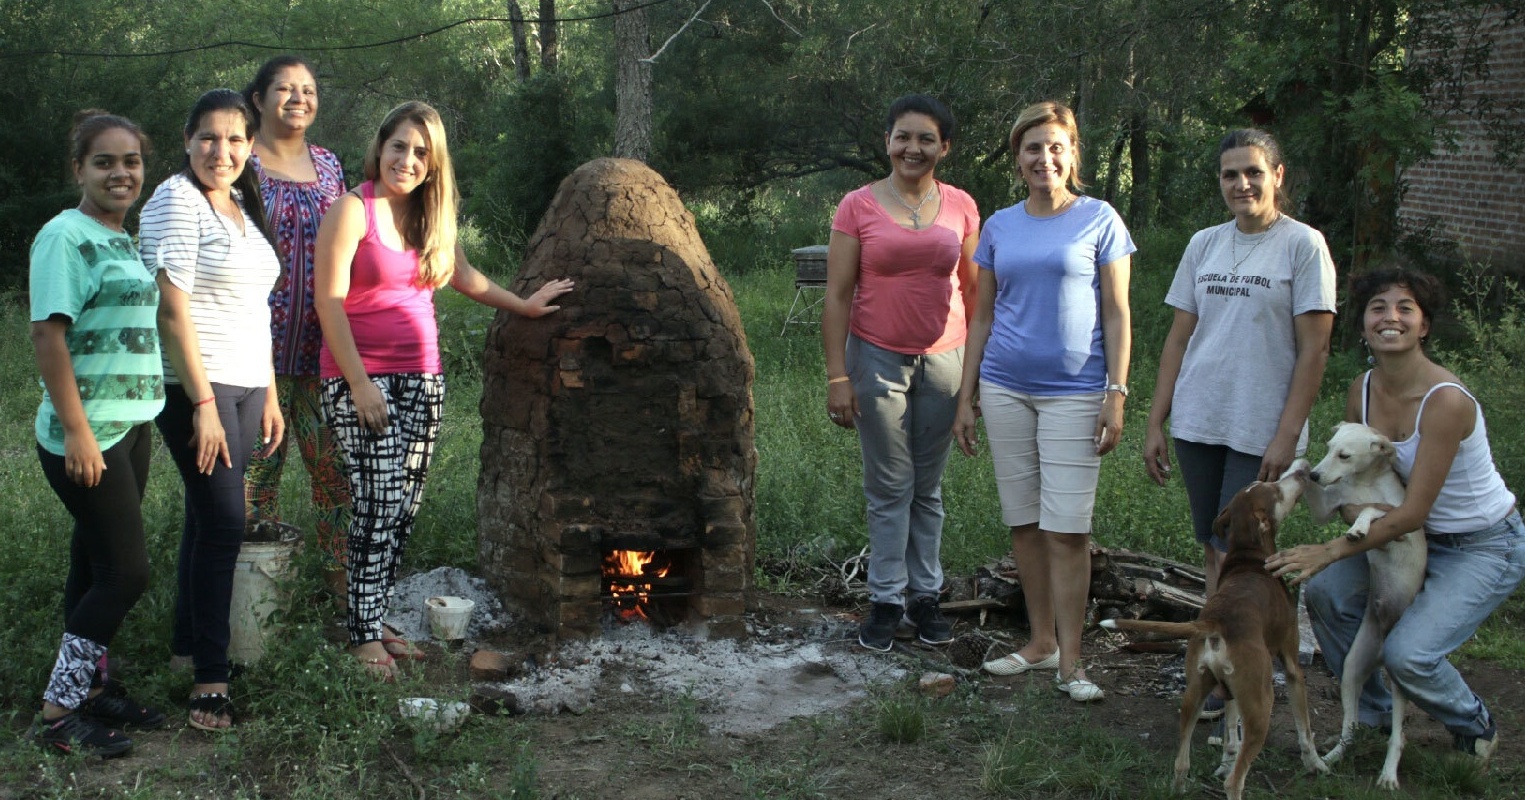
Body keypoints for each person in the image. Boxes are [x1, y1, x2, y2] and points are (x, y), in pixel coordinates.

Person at [314, 101, 573, 680]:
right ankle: (360, 637)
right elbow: (327, 301)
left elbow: (463, 275)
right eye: (399, 146)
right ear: (380, 147)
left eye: (421, 152)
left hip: (423, 378)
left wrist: (523, 304)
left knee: (402, 507)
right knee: (376, 502)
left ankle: (373, 617)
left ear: (434, 164)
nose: (407, 160)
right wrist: (359, 383)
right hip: (361, 379)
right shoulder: (352, 211)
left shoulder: (433, 216)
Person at [1269, 268, 1521, 763]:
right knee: (1324, 595)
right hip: (1407, 537)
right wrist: (1340, 516)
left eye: (1406, 308)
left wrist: (1330, 550)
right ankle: (1376, 713)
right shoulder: (1361, 390)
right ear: (1363, 326)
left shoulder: (1445, 402)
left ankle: (1473, 723)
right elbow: (1352, 488)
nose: (1391, 318)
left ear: (1424, 326)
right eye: (1378, 308)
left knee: (1410, 654)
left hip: (1481, 545)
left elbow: (1411, 512)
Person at [953, 101, 1134, 702]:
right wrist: (967, 394)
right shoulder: (1001, 226)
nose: (1044, 158)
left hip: (1077, 393)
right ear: (1018, 158)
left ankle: (1073, 664)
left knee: (1068, 530)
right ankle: (1039, 643)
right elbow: (982, 316)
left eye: (1056, 147)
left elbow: (1116, 311)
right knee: (1025, 523)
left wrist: (1116, 392)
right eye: (1033, 148)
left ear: (1072, 154)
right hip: (1005, 389)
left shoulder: (1100, 219)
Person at [140, 89, 284, 732]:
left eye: (234, 140)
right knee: (227, 522)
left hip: (248, 383)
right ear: (187, 139)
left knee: (207, 520)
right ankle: (209, 680)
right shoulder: (177, 199)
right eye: (208, 138)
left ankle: (183, 650)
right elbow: (172, 310)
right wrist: (200, 403)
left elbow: (256, 309)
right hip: (199, 386)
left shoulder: (242, 207)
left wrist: (272, 389)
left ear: (251, 147)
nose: (220, 151)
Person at [28, 111, 167, 757]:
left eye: (131, 161)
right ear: (77, 169)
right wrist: (80, 434)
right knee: (125, 573)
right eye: (105, 162)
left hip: (131, 425)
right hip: (88, 435)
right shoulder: (64, 237)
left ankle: (89, 688)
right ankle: (59, 711)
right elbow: (47, 337)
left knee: (93, 564)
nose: (121, 173)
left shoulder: (119, 236)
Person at [1143, 128, 1336, 595]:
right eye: (1231, 175)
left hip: (1261, 428)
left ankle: (1250, 653)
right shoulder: (1203, 244)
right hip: (1199, 421)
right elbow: (1178, 338)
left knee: (1244, 548)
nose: (1242, 184)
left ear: (1277, 175)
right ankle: (1221, 649)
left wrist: (1287, 436)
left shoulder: (1303, 245)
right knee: (1213, 544)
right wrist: (1155, 423)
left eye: (1254, 172)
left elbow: (1316, 349)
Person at [821, 94, 980, 652]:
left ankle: (925, 596)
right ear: (888, 141)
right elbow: (837, 296)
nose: (913, 148)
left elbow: (973, 290)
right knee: (890, 484)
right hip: (876, 358)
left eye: (926, 139)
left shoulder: (961, 205)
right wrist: (837, 375)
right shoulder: (857, 206)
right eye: (903, 137)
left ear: (944, 147)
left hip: (945, 361)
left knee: (927, 487)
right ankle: (886, 598)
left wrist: (974, 377)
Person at [241, 55, 353, 605]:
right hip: (252, 353)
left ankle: (339, 591)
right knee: (255, 481)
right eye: (284, 89)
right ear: (258, 99)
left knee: (335, 473)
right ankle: (262, 601)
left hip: (324, 351)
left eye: (308, 89)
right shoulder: (240, 162)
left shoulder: (330, 165)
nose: (298, 98)